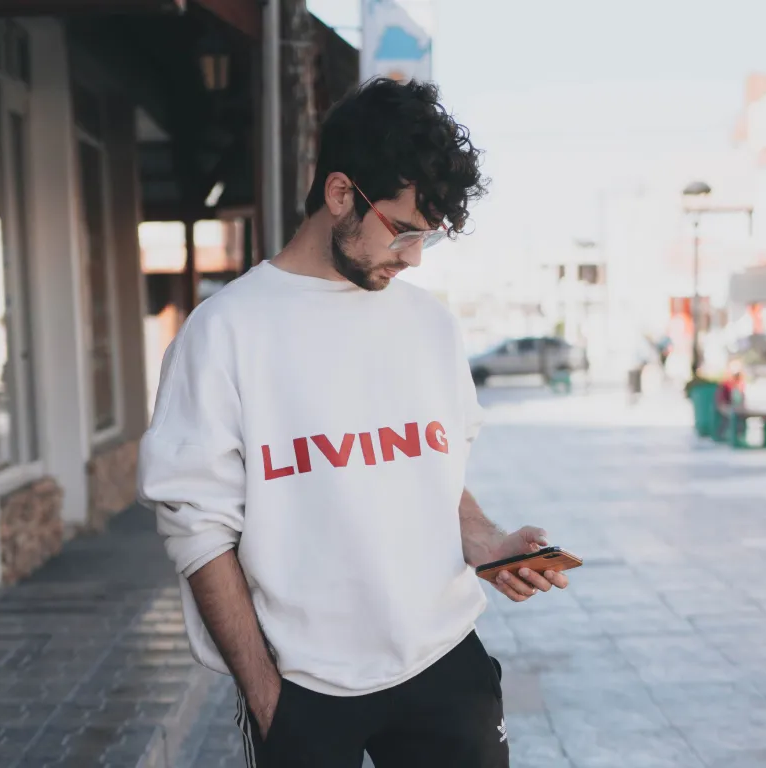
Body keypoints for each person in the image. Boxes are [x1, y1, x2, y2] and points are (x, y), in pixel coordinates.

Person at [137, 78, 569, 768]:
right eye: (404, 230)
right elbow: (199, 532)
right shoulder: (226, 332)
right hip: (306, 689)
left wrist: (486, 541)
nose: (415, 256)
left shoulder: (429, 325)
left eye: (432, 236)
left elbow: (432, 474)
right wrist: (269, 701)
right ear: (341, 194)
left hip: (444, 664)